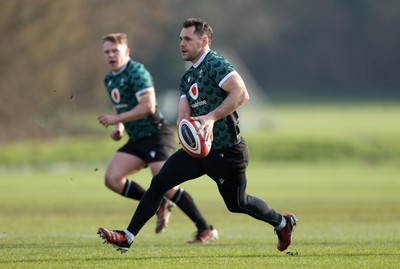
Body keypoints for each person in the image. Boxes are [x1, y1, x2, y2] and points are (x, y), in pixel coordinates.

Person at [98, 19, 297, 254]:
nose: (181, 44)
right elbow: (184, 113)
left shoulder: (216, 64)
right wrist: (185, 127)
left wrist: (211, 118)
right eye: (180, 39)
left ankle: (283, 223)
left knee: (237, 204)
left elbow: (241, 93)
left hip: (227, 152)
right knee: (160, 182)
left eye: (187, 39)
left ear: (203, 41)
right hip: (198, 151)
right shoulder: (187, 78)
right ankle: (127, 237)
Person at [98, 32, 217, 240]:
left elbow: (148, 107)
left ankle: (205, 228)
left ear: (126, 51)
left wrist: (116, 119)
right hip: (136, 139)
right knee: (112, 178)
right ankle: (158, 203)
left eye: (114, 51)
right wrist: (120, 127)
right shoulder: (109, 79)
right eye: (106, 52)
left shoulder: (137, 72)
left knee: (166, 184)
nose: (110, 55)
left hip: (156, 135)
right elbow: (122, 108)